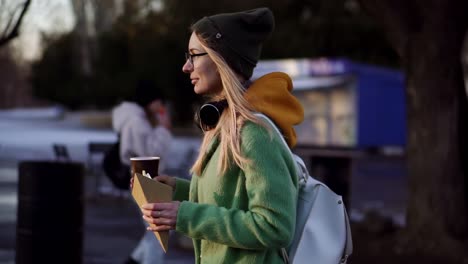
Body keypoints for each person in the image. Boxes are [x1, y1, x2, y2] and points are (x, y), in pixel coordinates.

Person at [139, 7, 304, 263]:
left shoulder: (254, 134)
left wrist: (185, 216)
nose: (185, 67)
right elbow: (230, 202)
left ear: (222, 59)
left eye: (194, 55)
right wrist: (177, 191)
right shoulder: (224, 125)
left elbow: (275, 227)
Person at [111, 79, 173, 264]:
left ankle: (133, 261)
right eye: (159, 102)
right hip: (145, 178)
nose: (161, 106)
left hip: (143, 179)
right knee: (159, 234)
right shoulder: (136, 122)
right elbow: (150, 154)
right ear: (150, 100)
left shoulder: (135, 119)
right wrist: (163, 129)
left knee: (156, 232)